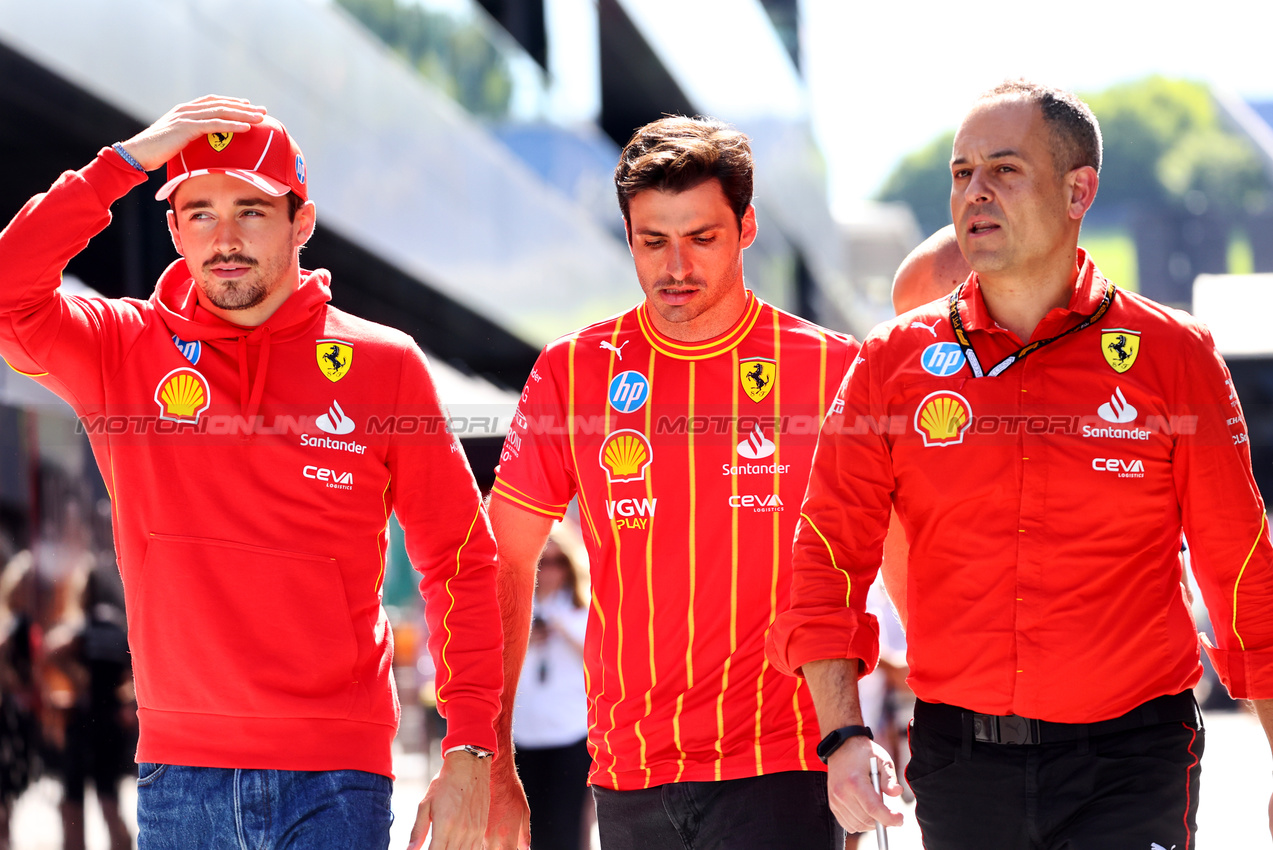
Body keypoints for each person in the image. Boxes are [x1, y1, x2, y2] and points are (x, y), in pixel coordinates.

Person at [768, 79, 1273, 849]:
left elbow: (1241, 575)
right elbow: (826, 554)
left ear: (1079, 191)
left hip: (1132, 762)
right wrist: (841, 737)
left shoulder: (1175, 355)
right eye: (961, 172)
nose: (974, 192)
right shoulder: (889, 363)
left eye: (1003, 170)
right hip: (961, 765)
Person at [0, 96, 503, 850]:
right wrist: (124, 163)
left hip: (338, 777)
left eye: (252, 210)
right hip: (181, 770)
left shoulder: (384, 364)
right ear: (172, 228)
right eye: (199, 212)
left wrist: (470, 747)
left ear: (301, 223)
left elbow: (461, 561)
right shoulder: (121, 348)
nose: (224, 239)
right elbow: (10, 287)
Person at [485, 116, 859, 850]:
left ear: (747, 227)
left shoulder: (832, 369)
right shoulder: (571, 373)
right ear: (627, 237)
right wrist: (491, 756)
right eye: (653, 241)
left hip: (781, 762)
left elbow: (906, 548)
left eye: (702, 237)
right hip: (627, 771)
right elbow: (502, 558)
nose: (676, 265)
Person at [44, 562, 135, 850]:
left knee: (73, 799)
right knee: (108, 796)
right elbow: (135, 668)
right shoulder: (117, 627)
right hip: (110, 722)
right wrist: (124, 695)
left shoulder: (83, 626)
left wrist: (78, 679)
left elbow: (51, 652)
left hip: (83, 721)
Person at [511, 525, 591, 850]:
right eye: (542, 561)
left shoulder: (581, 611)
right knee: (529, 834)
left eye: (558, 562)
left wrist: (559, 626)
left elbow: (597, 659)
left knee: (567, 831)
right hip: (524, 737)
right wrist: (525, 638)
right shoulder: (513, 611)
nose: (549, 571)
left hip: (570, 736)